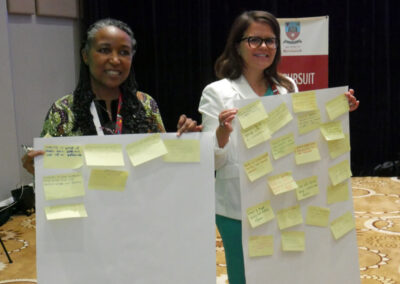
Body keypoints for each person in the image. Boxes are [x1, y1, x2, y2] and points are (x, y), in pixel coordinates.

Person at [198, 10, 359, 284]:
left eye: (270, 41)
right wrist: (223, 134)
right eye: (254, 40)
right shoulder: (217, 92)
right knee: (243, 277)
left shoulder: (287, 87)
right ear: (237, 45)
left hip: (283, 202)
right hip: (238, 208)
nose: (264, 47)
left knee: (283, 273)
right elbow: (211, 162)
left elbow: (302, 139)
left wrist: (336, 110)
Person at [22, 18, 201, 174]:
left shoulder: (145, 105)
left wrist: (185, 140)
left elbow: (163, 166)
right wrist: (35, 166)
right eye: (105, 50)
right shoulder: (63, 110)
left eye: (124, 52)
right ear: (85, 56)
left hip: (139, 208)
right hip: (87, 210)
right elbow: (51, 173)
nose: (115, 60)